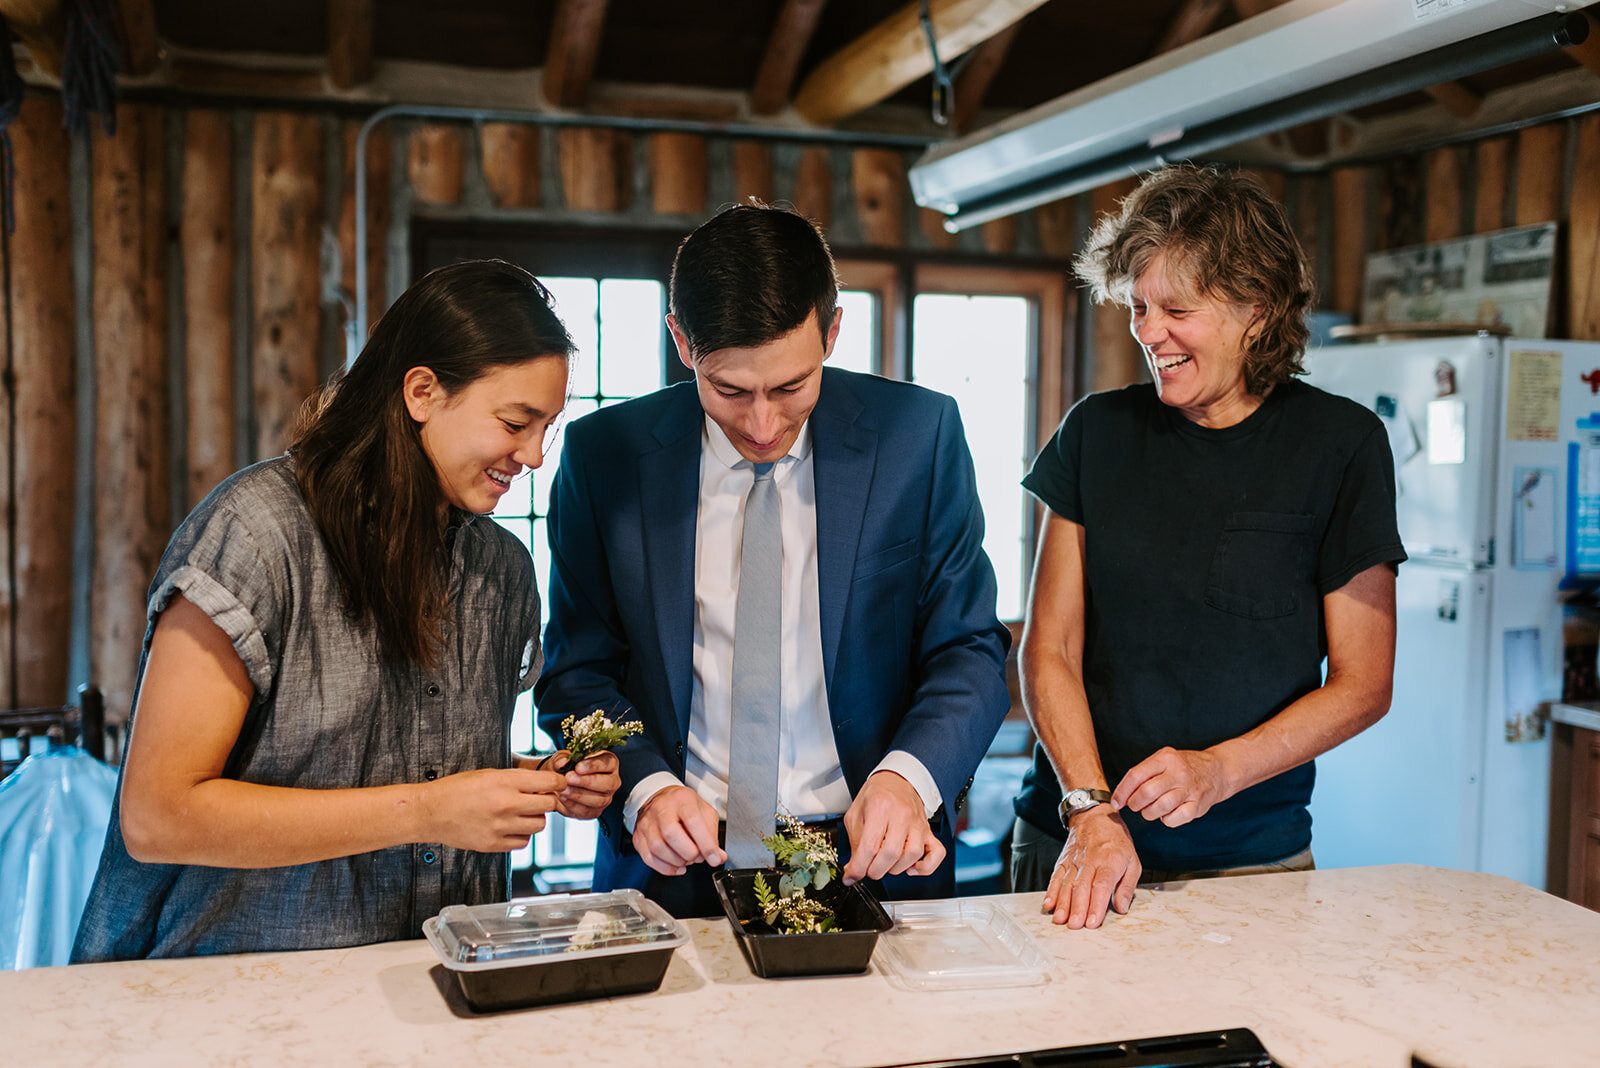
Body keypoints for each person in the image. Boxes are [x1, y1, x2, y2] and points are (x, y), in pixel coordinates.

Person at [72, 260, 620, 962]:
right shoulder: (258, 534)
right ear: (422, 391)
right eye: (517, 422)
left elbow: (409, 764)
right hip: (237, 992)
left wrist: (529, 780)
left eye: (548, 426)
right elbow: (158, 816)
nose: (536, 455)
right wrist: (429, 812)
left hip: (440, 978)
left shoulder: (501, 569)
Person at [536, 203, 1012, 917]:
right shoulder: (605, 457)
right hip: (669, 861)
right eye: (730, 391)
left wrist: (910, 780)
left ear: (834, 330)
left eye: (791, 387)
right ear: (682, 342)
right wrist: (643, 789)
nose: (762, 425)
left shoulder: (920, 435)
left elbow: (968, 648)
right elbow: (576, 675)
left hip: (866, 854)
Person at [1009, 165, 1405, 929]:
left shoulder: (1342, 445)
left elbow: (1363, 683)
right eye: (1139, 307)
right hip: (1075, 843)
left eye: (1176, 310)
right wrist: (1090, 810)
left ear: (1255, 309)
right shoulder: (1096, 433)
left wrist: (1219, 772)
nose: (1148, 333)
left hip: (1254, 861)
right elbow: (1049, 649)